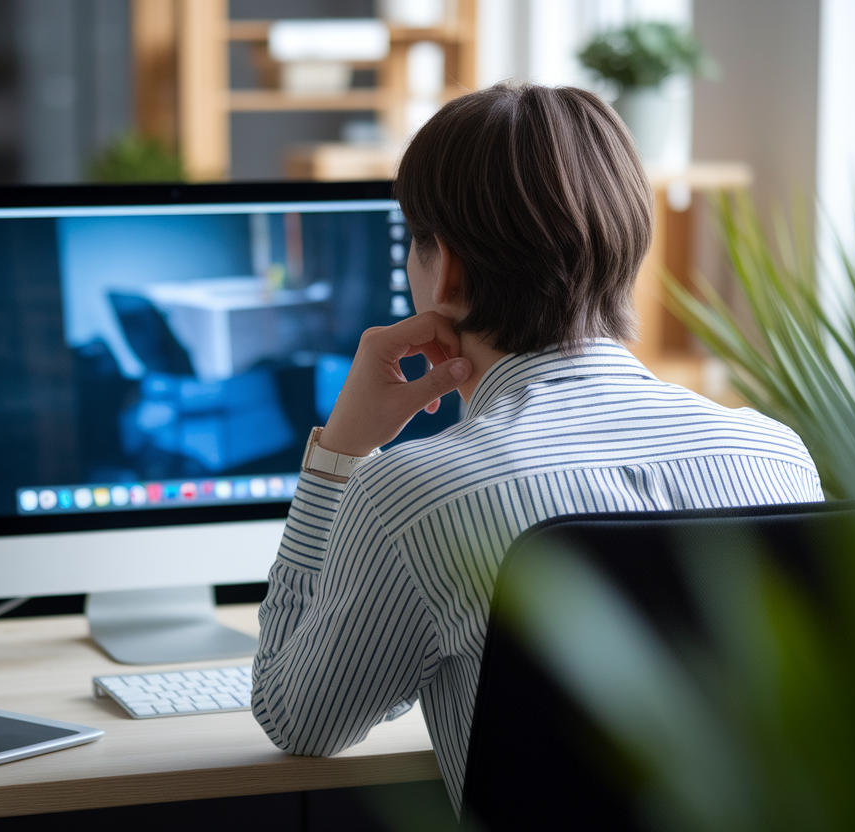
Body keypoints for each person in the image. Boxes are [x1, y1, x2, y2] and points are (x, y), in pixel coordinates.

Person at [250, 83, 822, 814]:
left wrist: (339, 456)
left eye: (412, 242)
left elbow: (297, 721)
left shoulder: (416, 497)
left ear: (445, 268)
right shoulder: (776, 455)